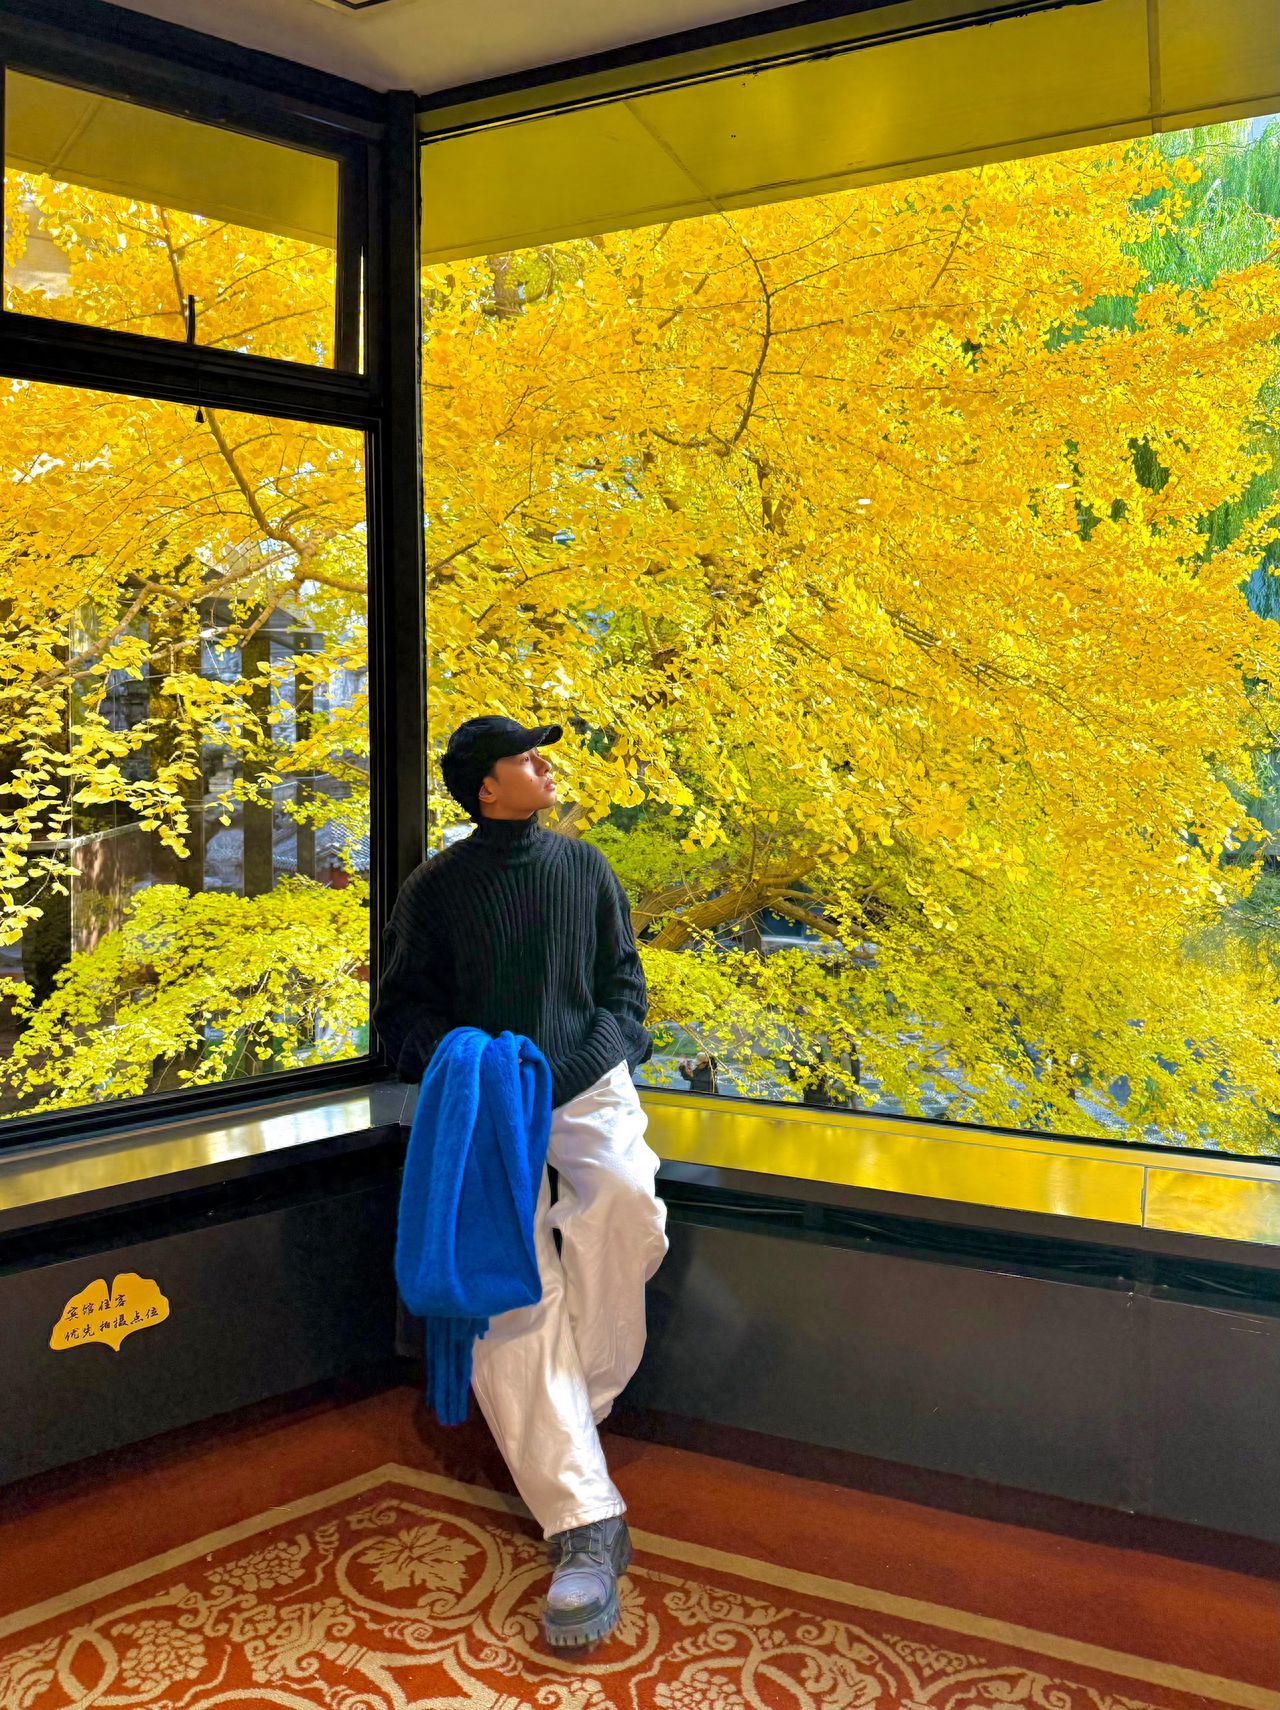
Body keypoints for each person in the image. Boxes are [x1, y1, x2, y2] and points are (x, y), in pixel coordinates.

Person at [373, 715, 668, 1650]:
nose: (545, 768)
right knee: (505, 1287)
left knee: (625, 1208)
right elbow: (402, 1012)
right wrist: (466, 1060)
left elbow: (626, 991)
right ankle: (582, 1525)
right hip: (487, 1096)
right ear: (485, 789)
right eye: (526, 760)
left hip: (590, 1081)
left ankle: (576, 1412)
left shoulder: (586, 870)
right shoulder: (438, 888)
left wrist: (588, 1060)